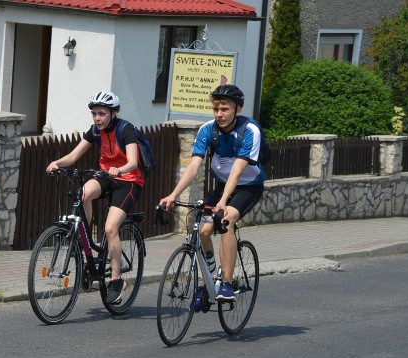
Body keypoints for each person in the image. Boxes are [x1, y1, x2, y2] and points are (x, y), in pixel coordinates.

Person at [158, 84, 266, 305]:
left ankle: (226, 282)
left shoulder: (250, 130)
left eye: (225, 109)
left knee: (226, 219)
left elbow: (238, 170)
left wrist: (224, 202)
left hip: (248, 186)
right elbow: (193, 166)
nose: (219, 114)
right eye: (216, 109)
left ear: (238, 109)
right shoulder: (208, 129)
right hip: (222, 185)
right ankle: (210, 280)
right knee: (204, 231)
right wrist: (173, 194)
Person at [46, 90, 144, 305]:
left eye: (102, 113)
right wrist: (57, 163)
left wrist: (120, 169)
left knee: (110, 229)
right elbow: (73, 156)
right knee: (83, 193)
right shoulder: (94, 131)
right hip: (106, 176)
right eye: (94, 114)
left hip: (129, 180)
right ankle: (85, 236)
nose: (97, 118)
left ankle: (116, 281)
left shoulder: (126, 129)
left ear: (112, 113)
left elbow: (133, 162)